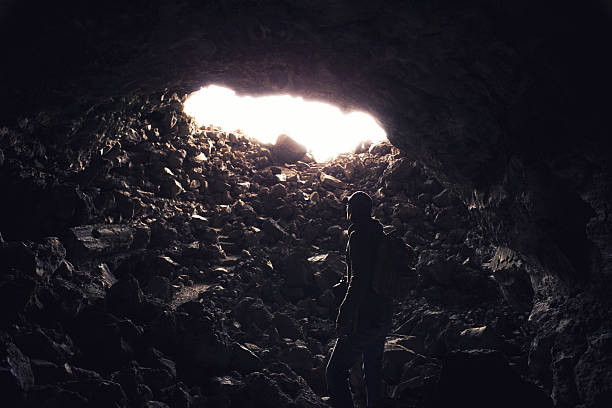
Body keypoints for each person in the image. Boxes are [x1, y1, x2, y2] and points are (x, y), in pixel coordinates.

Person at [326, 191, 393, 408]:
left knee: (335, 372)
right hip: (383, 314)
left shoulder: (359, 236)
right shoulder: (379, 233)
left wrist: (343, 315)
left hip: (365, 316)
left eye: (348, 207)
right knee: (372, 369)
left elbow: (359, 280)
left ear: (352, 211)